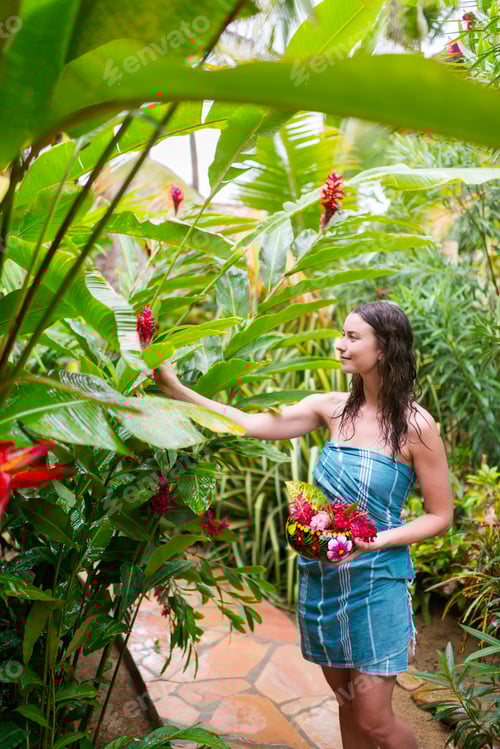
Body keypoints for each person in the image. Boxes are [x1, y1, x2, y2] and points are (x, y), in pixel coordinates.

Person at [154, 300, 454, 749]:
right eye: (343, 335)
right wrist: (178, 390)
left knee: (374, 719)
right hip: (322, 582)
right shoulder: (330, 409)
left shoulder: (416, 426)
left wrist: (374, 541)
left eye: (353, 338)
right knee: (347, 704)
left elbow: (440, 515)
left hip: (378, 584)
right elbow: (248, 424)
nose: (340, 345)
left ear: (386, 348)